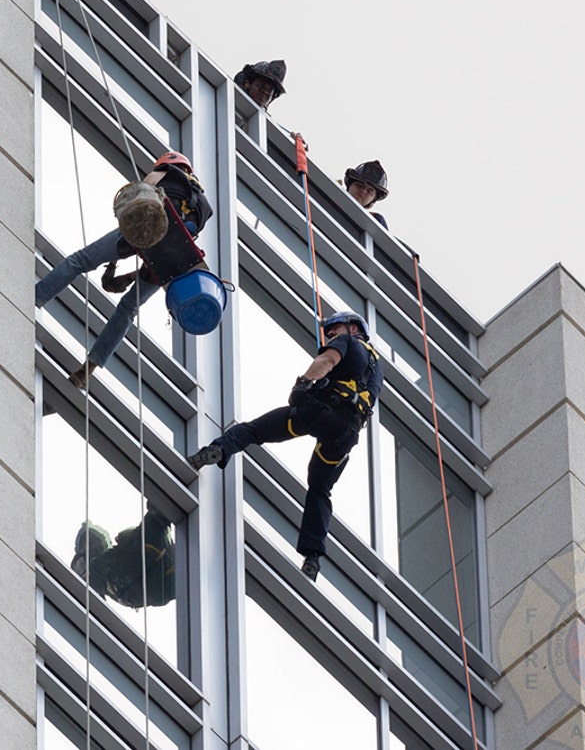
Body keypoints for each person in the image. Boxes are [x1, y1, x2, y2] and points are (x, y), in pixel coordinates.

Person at [187, 310, 384, 581]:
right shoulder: (376, 368)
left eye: (335, 329)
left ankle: (218, 450)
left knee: (254, 430)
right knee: (319, 489)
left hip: (320, 412)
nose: (330, 335)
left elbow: (328, 359)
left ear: (353, 329)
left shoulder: (348, 343)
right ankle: (312, 556)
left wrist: (304, 383)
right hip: (345, 435)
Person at [34, 151, 215, 389]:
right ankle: (88, 369)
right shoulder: (203, 206)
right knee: (128, 309)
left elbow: (141, 199)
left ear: (167, 163)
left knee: (79, 261)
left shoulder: (164, 172)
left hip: (150, 224)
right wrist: (128, 277)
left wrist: (113, 260)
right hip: (174, 255)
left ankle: (35, 297)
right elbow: (162, 247)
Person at [72, 508, 175, 608]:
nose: (92, 545)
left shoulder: (120, 549)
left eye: (94, 540)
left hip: (157, 576)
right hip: (145, 585)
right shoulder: (91, 568)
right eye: (88, 542)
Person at [344, 160, 390, 228]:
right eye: (359, 186)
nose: (363, 191)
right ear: (349, 186)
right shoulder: (331, 199)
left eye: (369, 191)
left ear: (373, 200)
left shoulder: (375, 221)